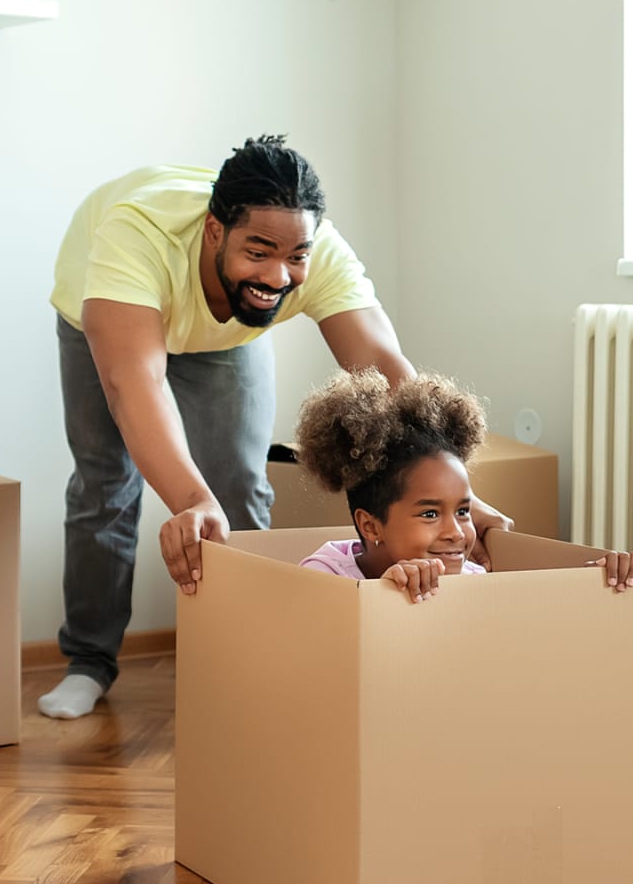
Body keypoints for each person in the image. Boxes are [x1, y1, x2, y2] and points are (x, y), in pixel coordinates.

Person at [39, 137, 508, 718]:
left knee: (237, 486)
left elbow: (393, 381)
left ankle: (243, 660)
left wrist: (466, 500)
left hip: (228, 333)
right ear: (215, 231)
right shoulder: (134, 236)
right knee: (105, 484)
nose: (279, 274)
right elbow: (133, 384)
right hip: (110, 321)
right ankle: (89, 662)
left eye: (295, 257)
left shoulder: (319, 252)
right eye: (258, 251)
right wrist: (188, 499)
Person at [291, 369, 633, 600]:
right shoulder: (325, 575)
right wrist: (386, 594)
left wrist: (595, 587)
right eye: (430, 513)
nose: (457, 533)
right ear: (371, 525)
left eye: (463, 511)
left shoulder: (471, 578)